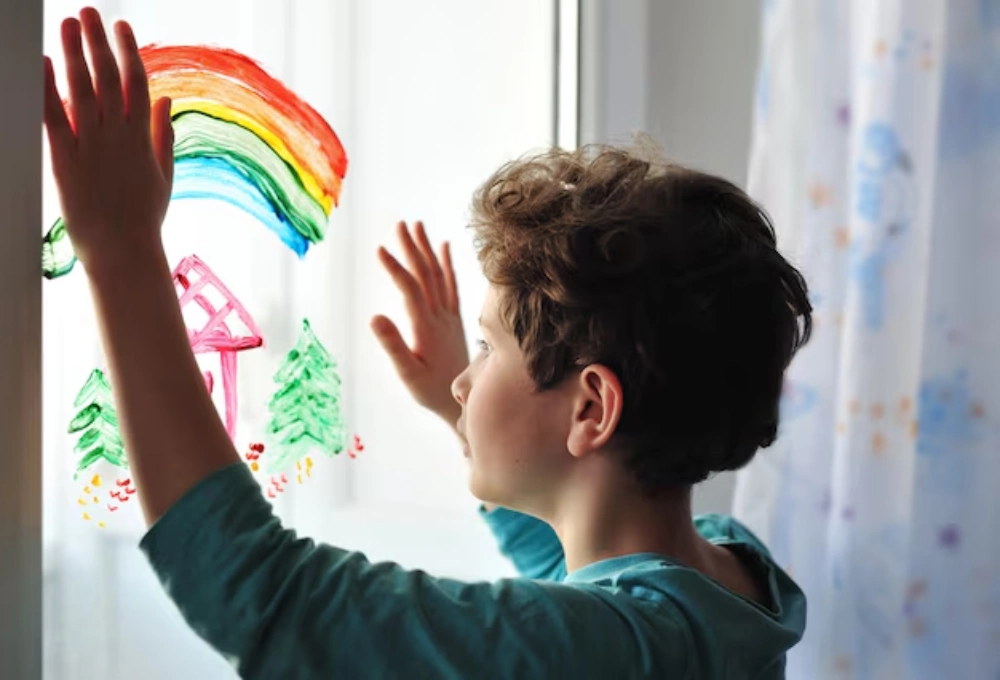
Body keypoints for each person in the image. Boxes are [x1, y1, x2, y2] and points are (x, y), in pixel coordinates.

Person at [44, 8, 810, 678]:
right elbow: (581, 572)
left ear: (592, 409)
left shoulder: (623, 649)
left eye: (487, 349)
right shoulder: (729, 573)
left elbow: (263, 593)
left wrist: (122, 250)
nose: (460, 383)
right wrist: (474, 408)